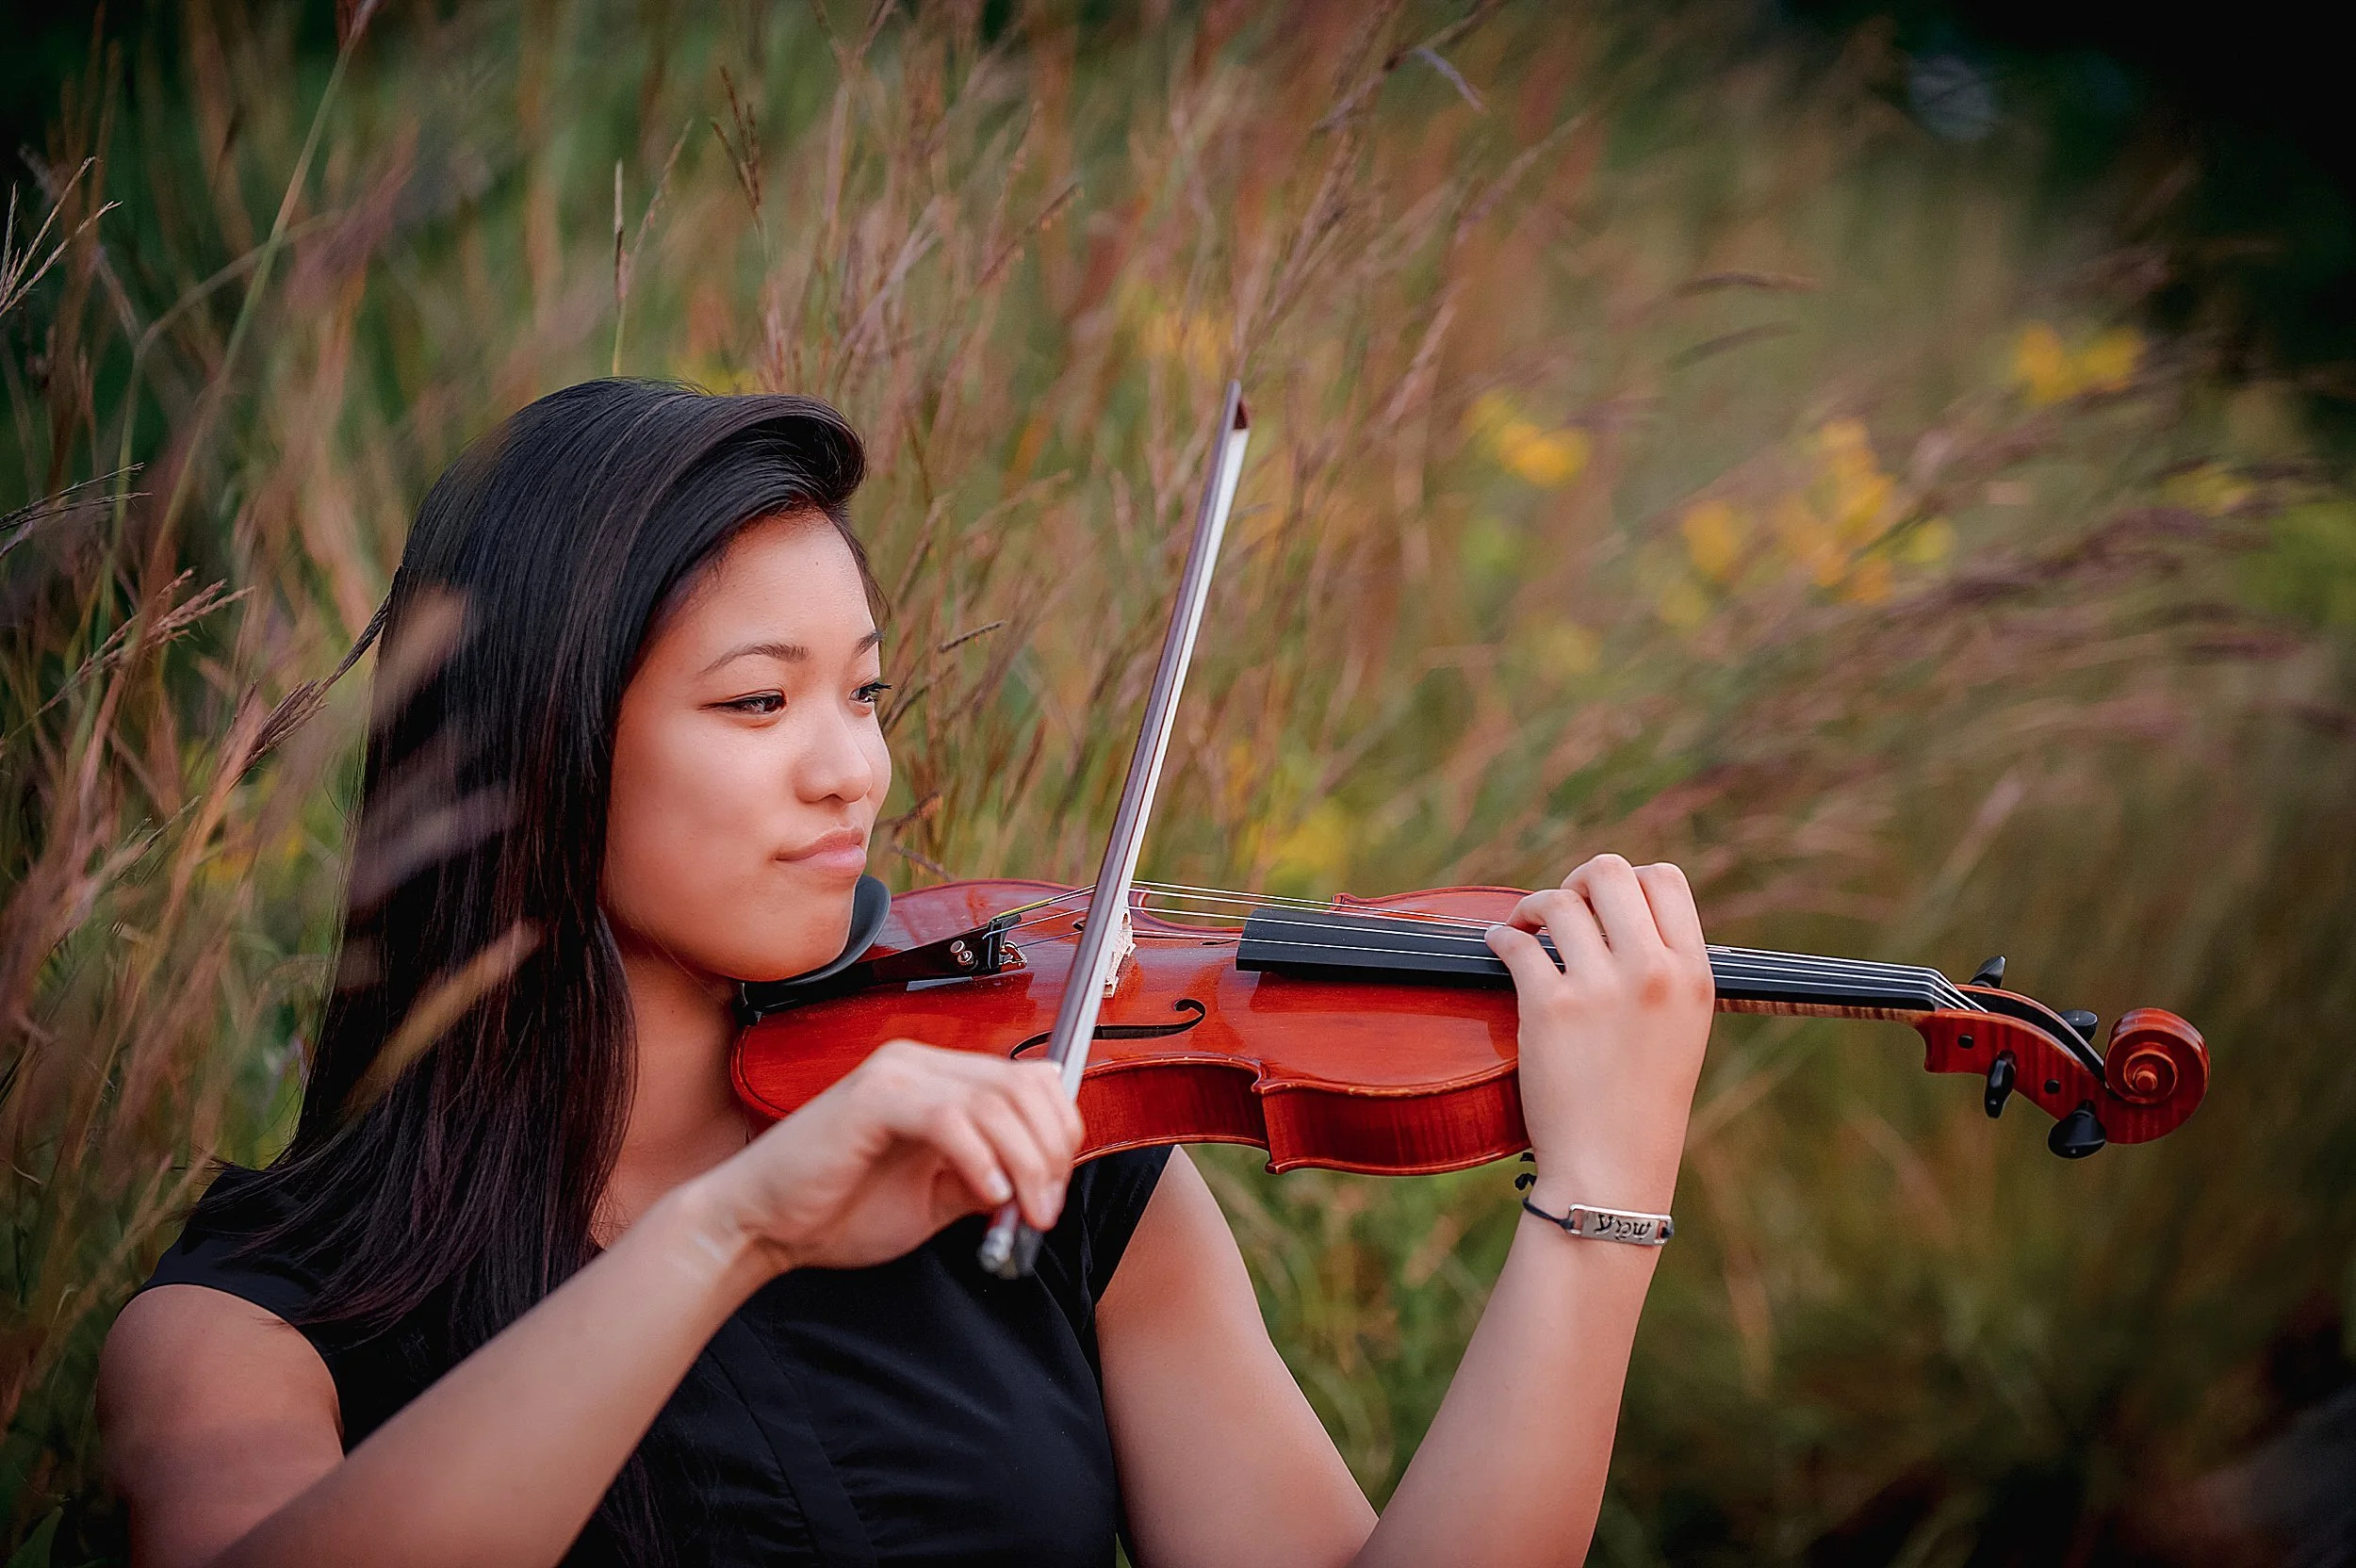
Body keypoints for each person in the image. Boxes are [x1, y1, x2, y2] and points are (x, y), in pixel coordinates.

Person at [97, 379, 1716, 1568]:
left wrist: (1603, 1206)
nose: (851, 775)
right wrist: (737, 1229)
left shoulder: (1050, 1159)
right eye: (757, 705)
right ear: (534, 752)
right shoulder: (257, 1317)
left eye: (864, 696)